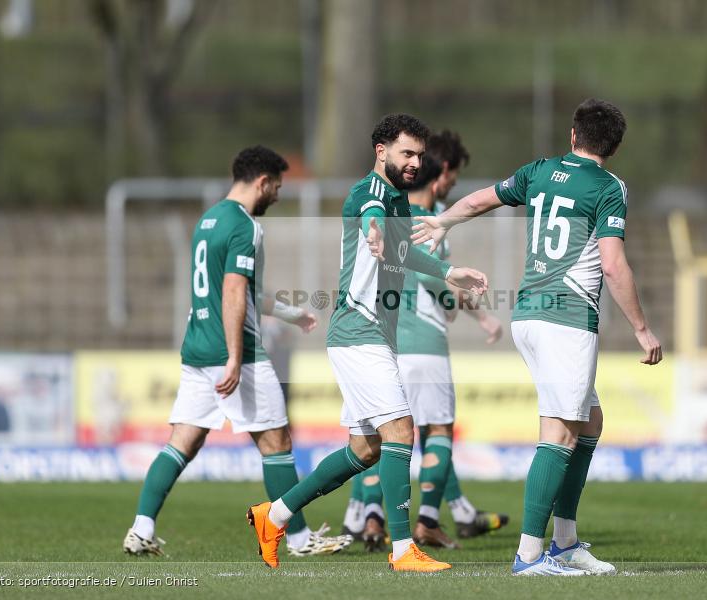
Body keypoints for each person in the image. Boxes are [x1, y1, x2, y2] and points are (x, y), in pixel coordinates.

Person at [413, 99, 663, 576]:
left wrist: (443, 222)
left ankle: (565, 542)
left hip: (529, 314)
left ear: (573, 135)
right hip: (566, 319)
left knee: (589, 422)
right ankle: (529, 556)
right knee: (560, 432)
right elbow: (612, 265)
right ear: (615, 147)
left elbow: (480, 200)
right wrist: (641, 327)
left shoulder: (540, 170)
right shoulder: (609, 187)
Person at [245, 114, 488, 573]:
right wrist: (374, 229)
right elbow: (370, 217)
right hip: (360, 333)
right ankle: (403, 550)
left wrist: (449, 271)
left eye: (419, 155)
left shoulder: (397, 200)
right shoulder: (371, 193)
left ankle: (273, 515)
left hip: (371, 336)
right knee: (401, 431)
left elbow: (403, 253)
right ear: (381, 151)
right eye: (406, 153)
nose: (415, 162)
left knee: (365, 450)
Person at [122, 146, 350, 559]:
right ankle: (299, 539)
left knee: (182, 441)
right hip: (236, 353)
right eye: (276, 187)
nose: (277, 196)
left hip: (197, 347)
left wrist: (291, 314)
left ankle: (141, 528)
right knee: (276, 442)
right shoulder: (245, 226)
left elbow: (242, 292)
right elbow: (233, 291)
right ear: (262, 182)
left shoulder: (207, 220)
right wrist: (233, 356)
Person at [341, 136, 508, 551]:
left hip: (382, 340)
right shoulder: (429, 221)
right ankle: (428, 521)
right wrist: (460, 303)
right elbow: (434, 280)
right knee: (438, 431)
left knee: (375, 435)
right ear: (439, 175)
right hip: (425, 345)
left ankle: (371, 516)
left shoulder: (394, 212)